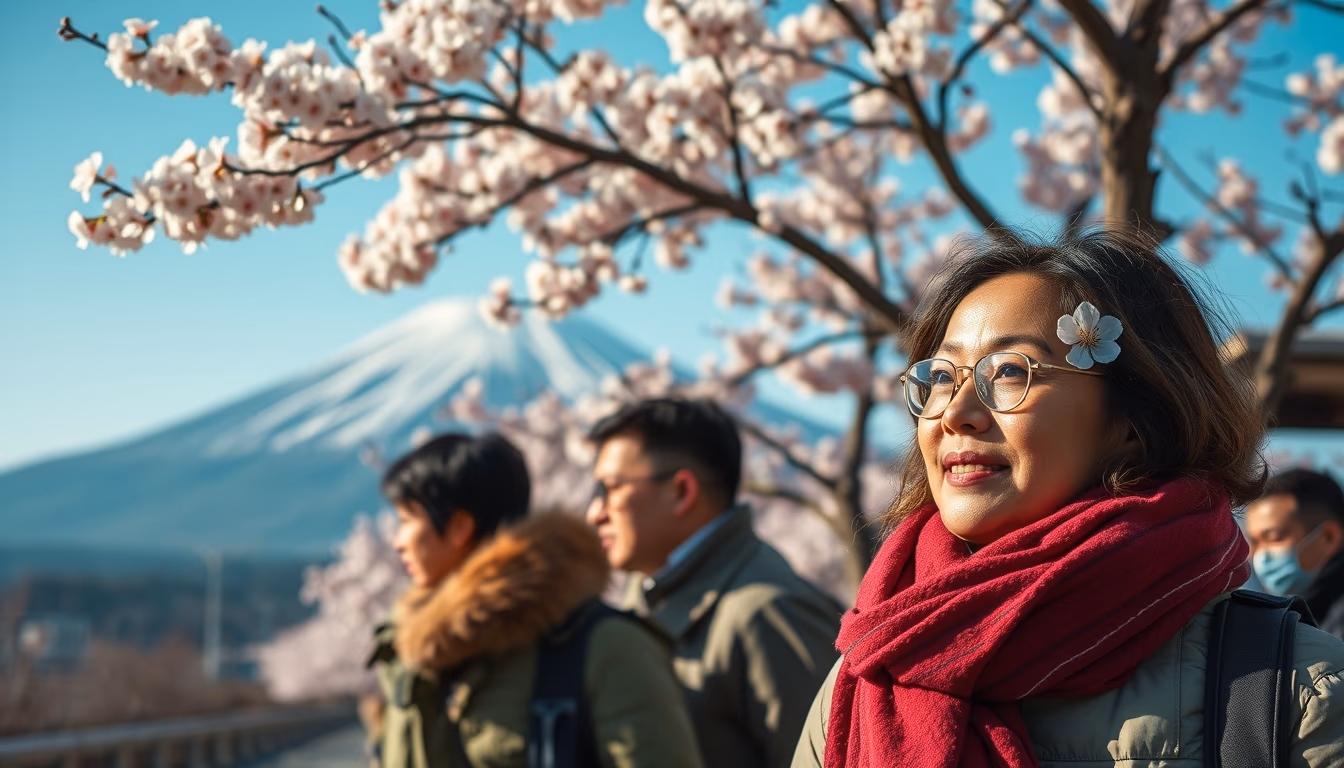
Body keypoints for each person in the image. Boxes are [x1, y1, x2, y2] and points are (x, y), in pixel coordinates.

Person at [792, 226, 1344, 767]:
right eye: (940, 377)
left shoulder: (1298, 691)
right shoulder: (868, 671)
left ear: (1134, 420)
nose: (956, 413)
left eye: (1009, 372)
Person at [366, 432, 703, 768]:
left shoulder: (606, 646)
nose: (397, 541)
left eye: (407, 520)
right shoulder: (415, 655)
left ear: (460, 527)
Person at [586, 398, 842, 768]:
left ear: (681, 491)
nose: (595, 513)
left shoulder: (770, 613)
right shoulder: (646, 591)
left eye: (610, 489)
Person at [1246, 468, 1344, 638]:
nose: (1258, 555)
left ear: (1328, 537)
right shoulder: (1306, 615)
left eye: (1274, 537)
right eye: (1254, 542)